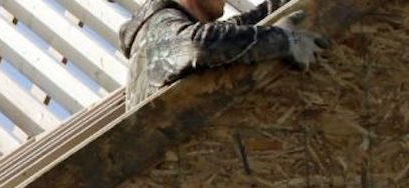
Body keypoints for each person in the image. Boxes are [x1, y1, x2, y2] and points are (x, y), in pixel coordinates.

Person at [120, 0, 331, 110]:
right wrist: (281, 40)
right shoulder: (159, 27)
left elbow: (243, 24)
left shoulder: (166, 28)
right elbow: (197, 44)